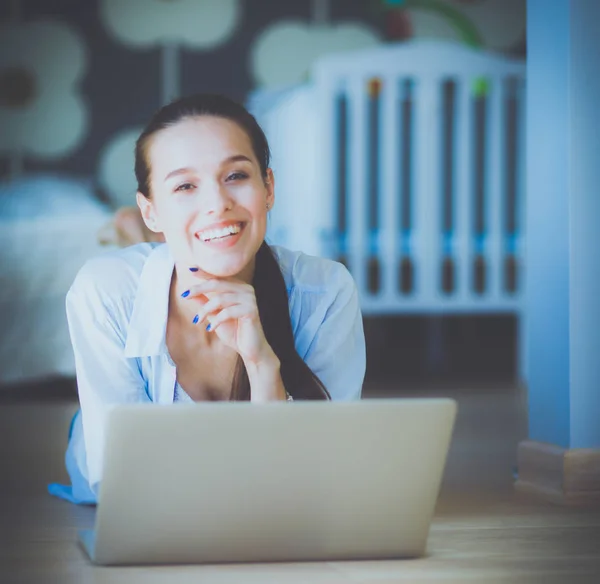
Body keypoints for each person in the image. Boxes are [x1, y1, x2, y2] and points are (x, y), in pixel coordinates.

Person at [48, 93, 366, 505]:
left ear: (268, 187)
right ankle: (143, 242)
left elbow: (323, 475)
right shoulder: (104, 291)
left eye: (235, 176)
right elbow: (121, 481)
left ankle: (149, 239)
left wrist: (263, 365)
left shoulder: (326, 291)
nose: (217, 203)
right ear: (151, 210)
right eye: (185, 186)